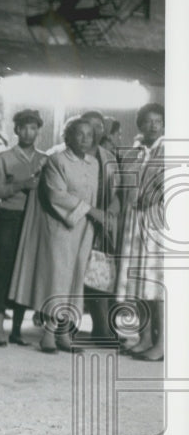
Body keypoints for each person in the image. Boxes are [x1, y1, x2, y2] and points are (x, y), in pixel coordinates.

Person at [8, 117, 107, 353]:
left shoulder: (93, 163)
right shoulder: (57, 160)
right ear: (68, 136)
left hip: (84, 229)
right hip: (61, 228)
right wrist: (91, 211)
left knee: (75, 280)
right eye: (79, 134)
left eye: (89, 135)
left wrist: (95, 217)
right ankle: (48, 335)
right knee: (58, 280)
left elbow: (92, 194)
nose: (85, 139)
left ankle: (64, 333)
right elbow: (56, 195)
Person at [0, 110, 47, 346]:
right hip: (9, 218)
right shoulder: (4, 157)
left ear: (38, 131)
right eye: (23, 128)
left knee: (25, 272)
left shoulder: (45, 159)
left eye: (33, 128)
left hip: (35, 221)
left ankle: (17, 330)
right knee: (1, 271)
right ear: (16, 131)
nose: (28, 132)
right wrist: (22, 185)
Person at [115, 102, 165, 361]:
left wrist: (155, 195)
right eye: (148, 121)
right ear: (140, 125)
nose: (153, 125)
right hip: (135, 223)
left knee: (157, 286)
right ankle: (144, 337)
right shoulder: (135, 152)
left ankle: (162, 344)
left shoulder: (171, 150)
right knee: (139, 284)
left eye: (158, 121)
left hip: (159, 226)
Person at [77, 110, 122, 339]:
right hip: (78, 223)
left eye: (100, 126)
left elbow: (118, 193)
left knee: (101, 274)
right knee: (76, 275)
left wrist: (110, 214)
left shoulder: (109, 157)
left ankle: (102, 328)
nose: (95, 130)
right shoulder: (72, 154)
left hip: (103, 224)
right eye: (90, 125)